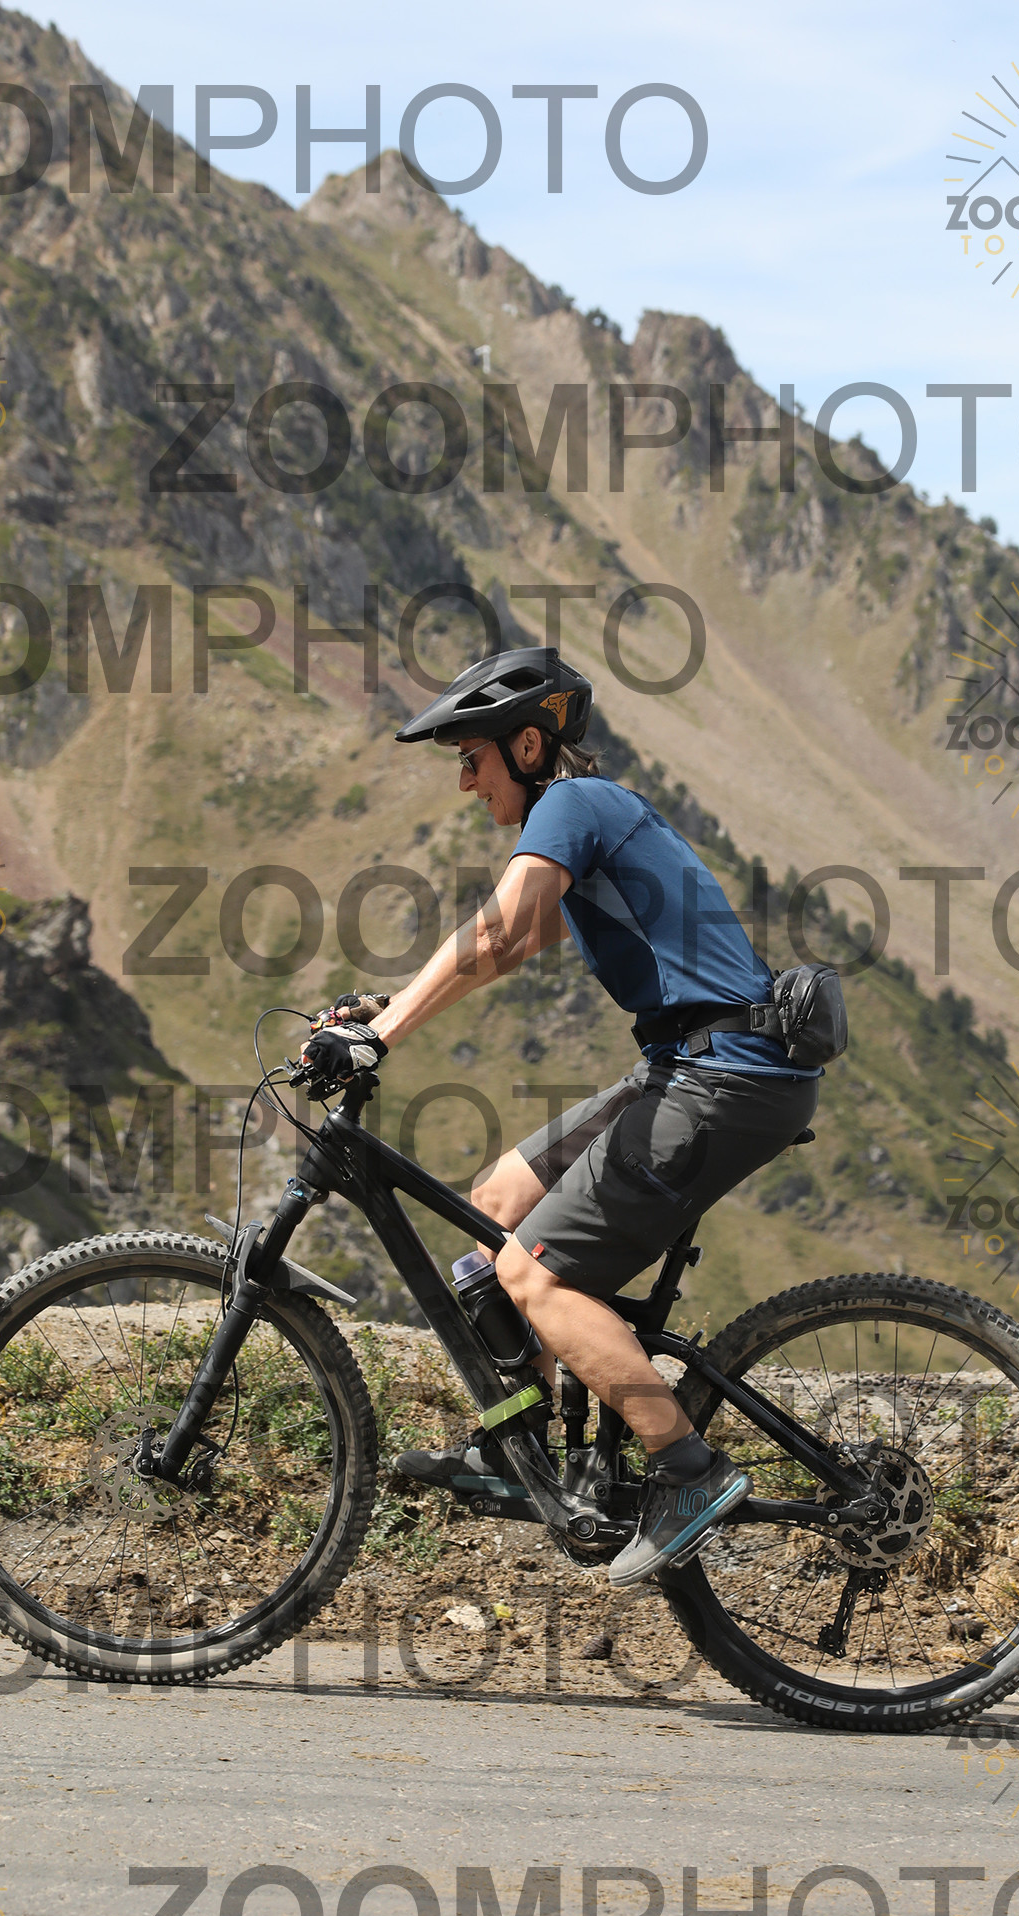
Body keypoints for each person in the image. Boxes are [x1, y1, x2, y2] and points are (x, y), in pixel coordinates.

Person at [296, 645, 821, 1585]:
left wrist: (382, 1037)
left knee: (533, 1275)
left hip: (724, 1078)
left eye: (473, 758)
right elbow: (516, 941)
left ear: (529, 745)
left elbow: (499, 928)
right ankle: (519, 1448)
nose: (465, 781)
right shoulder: (581, 816)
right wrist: (385, 1010)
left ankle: (687, 1468)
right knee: (496, 1203)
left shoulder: (575, 804)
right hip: (690, 1066)